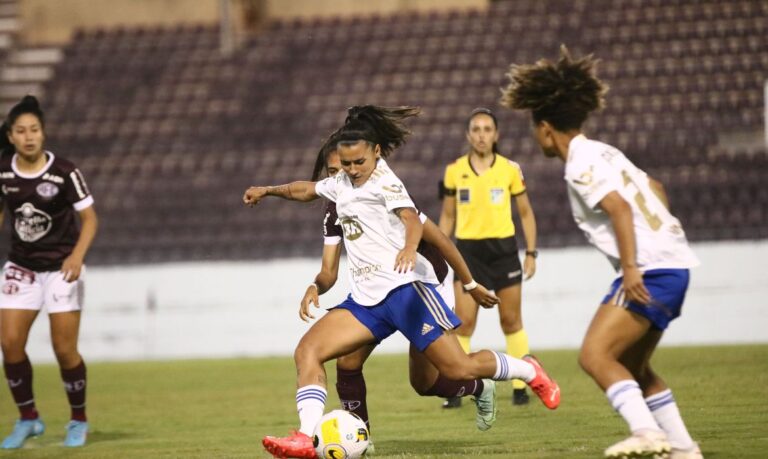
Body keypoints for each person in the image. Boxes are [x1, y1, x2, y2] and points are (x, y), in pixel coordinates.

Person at [244, 106, 560, 459]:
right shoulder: (342, 185)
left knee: (456, 368)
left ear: (376, 152)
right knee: (308, 351)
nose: (351, 170)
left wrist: (418, 252)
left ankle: (527, 369)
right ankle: (305, 437)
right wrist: (269, 190)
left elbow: (412, 220)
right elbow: (305, 190)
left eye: (357, 163)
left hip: (407, 293)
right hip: (366, 303)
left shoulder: (386, 182)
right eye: (344, 165)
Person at [501, 46, 702, 459]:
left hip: (649, 269)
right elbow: (655, 189)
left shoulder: (579, 160)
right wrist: (661, 232)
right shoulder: (606, 152)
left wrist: (631, 266)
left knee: (595, 356)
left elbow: (620, 207)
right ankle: (684, 449)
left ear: (545, 129)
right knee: (634, 367)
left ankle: (646, 432)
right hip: (675, 263)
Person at [306, 132, 498, 450]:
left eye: (346, 167)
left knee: (427, 382)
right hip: (378, 296)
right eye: (332, 171)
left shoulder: (385, 190)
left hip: (422, 286)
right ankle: (361, 440)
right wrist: (315, 286)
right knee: (348, 362)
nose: (342, 175)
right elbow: (329, 270)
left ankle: (481, 387)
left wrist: (470, 283)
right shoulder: (334, 207)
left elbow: (438, 238)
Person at [0, 95, 98, 449]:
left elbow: (89, 219)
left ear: (43, 133)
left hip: (61, 270)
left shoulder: (64, 172)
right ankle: (29, 419)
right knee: (9, 345)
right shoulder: (3, 171)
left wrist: (76, 256)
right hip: (21, 269)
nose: (29, 136)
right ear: (11, 136)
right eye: (21, 131)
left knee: (64, 350)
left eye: (35, 130)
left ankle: (78, 420)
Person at [438, 107, 539, 408]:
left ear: (496, 135)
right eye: (476, 129)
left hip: (504, 252)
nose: (482, 135)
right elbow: (446, 217)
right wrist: (440, 255)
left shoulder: (510, 169)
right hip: (467, 253)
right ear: (469, 135)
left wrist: (531, 252)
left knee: (511, 320)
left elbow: (525, 213)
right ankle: (457, 386)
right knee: (464, 323)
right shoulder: (454, 170)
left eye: (487, 129)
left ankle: (523, 385)